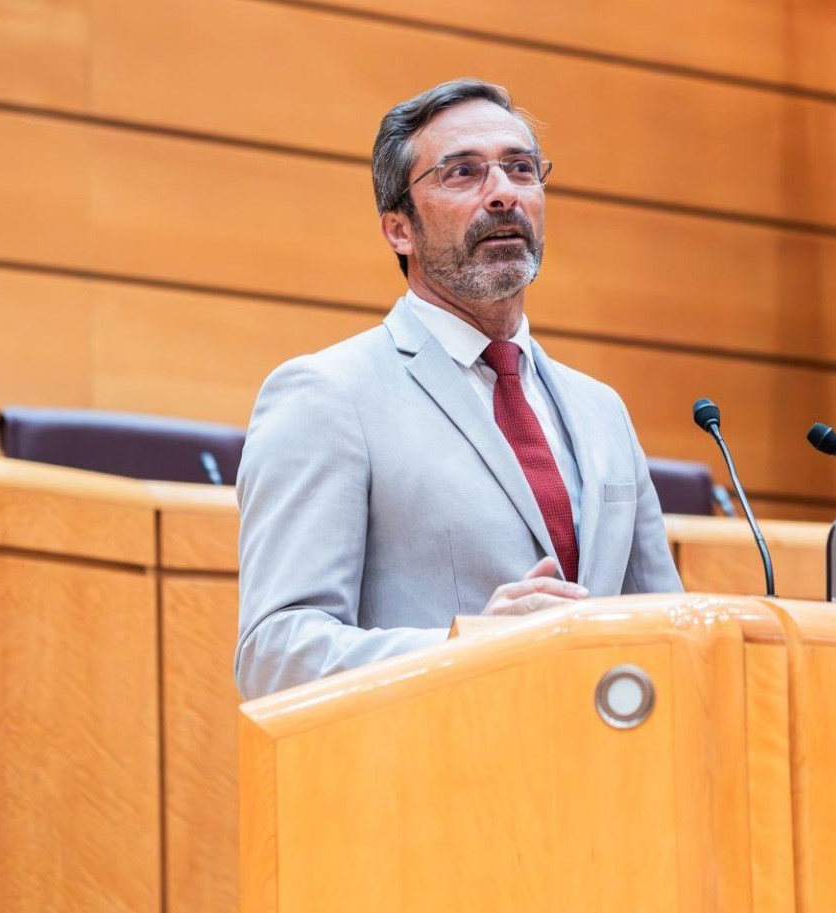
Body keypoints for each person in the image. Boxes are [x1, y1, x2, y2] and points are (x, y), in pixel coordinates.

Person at [234, 79, 683, 699]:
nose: (503, 194)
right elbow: (274, 654)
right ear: (399, 229)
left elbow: (663, 628)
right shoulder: (328, 395)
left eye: (520, 169)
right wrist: (460, 648)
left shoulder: (601, 410)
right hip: (437, 776)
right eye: (463, 174)